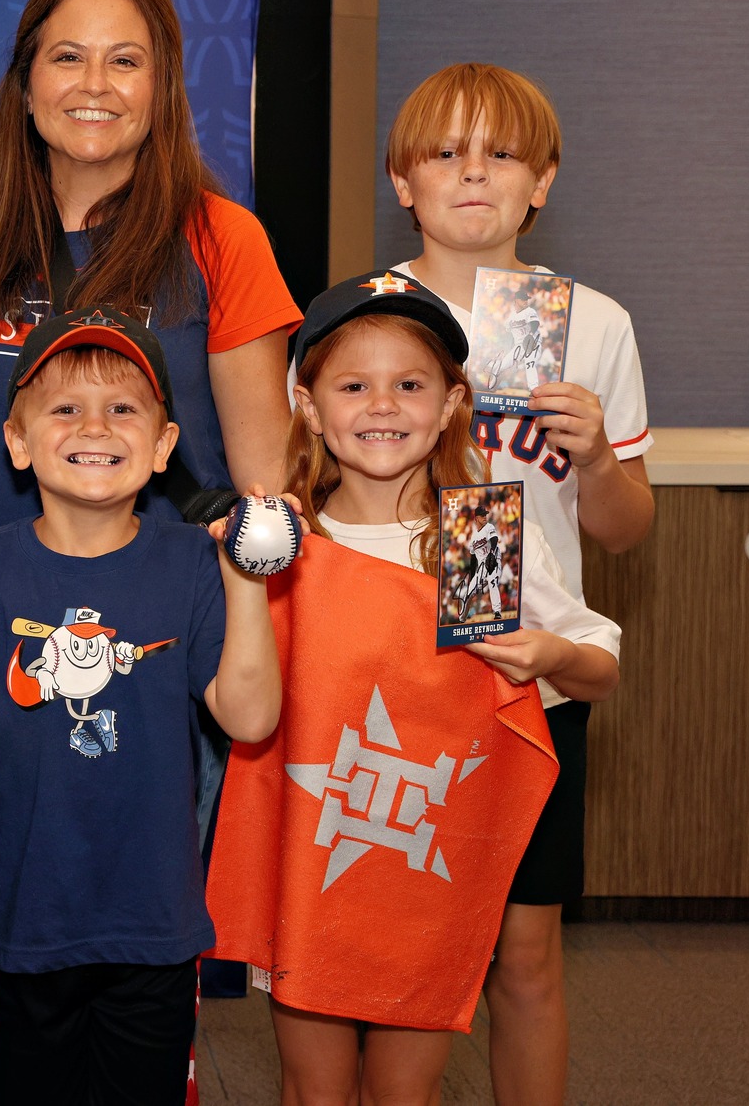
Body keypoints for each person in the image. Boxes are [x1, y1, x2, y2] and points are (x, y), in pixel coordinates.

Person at [0, 306, 288, 1106]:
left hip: (155, 925)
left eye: (123, 408)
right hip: (28, 927)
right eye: (65, 407)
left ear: (163, 446)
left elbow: (249, 718)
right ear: (17, 441)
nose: (95, 425)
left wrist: (246, 582)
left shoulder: (193, 561)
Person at [207, 271, 621, 1105]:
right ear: (307, 405)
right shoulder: (285, 537)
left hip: (429, 873)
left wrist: (547, 654)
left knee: (406, 1090)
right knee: (313, 1086)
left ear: (451, 403)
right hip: (314, 863)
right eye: (353, 386)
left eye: (409, 385)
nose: (382, 406)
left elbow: (599, 666)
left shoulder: (474, 538)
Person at [0, 0, 303, 823]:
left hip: (157, 642)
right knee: (20, 895)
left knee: (154, 896)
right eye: (67, 57)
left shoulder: (221, 239)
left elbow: (266, 484)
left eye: (125, 60)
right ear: (25, 85)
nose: (95, 84)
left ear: (161, 89)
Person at [386, 62, 652, 1102]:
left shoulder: (593, 323)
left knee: (525, 954)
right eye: (445, 152)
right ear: (401, 180)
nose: (472, 172)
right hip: (396, 665)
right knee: (398, 942)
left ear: (540, 183)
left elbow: (623, 531)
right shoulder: (365, 314)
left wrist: (596, 458)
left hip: (531, 671)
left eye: (500, 154)